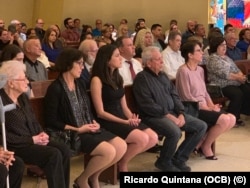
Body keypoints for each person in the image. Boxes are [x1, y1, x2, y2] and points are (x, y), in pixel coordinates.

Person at [44, 48, 127, 188]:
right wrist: (78, 129)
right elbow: (51, 121)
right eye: (79, 63)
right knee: (109, 151)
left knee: (121, 146)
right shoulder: (55, 88)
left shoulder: (79, 84)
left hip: (87, 128)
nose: (82, 67)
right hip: (71, 133)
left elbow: (87, 110)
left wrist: (94, 122)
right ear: (68, 64)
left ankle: (91, 177)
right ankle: (84, 180)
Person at [132, 46, 207, 172]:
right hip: (153, 116)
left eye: (162, 58)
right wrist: (169, 116)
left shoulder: (163, 75)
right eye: (158, 59)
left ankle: (178, 159)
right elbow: (147, 105)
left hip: (172, 113)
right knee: (175, 132)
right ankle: (164, 162)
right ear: (149, 63)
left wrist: (181, 113)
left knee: (200, 126)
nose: (162, 62)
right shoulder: (141, 79)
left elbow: (175, 95)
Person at [0, 60, 70, 188]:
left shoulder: (22, 97)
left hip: (33, 140)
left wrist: (41, 133)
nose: (27, 81)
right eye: (23, 79)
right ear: (10, 83)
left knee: (64, 149)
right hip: (16, 146)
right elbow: (5, 137)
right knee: (53, 154)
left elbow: (33, 120)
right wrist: (32, 139)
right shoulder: (1, 102)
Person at [90, 44, 158, 172]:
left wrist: (132, 118)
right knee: (142, 138)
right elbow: (100, 112)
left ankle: (122, 160)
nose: (120, 58)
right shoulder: (97, 80)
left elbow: (124, 107)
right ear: (106, 60)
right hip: (107, 120)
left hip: (121, 117)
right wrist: (125, 122)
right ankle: (123, 165)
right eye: (117, 56)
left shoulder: (118, 78)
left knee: (153, 137)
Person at [176, 40, 235, 160]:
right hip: (192, 108)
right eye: (198, 50)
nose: (202, 53)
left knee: (232, 119)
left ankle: (202, 142)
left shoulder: (200, 70)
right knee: (223, 119)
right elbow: (187, 97)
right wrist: (207, 108)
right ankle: (206, 146)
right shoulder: (183, 71)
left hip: (204, 106)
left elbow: (205, 92)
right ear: (190, 55)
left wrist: (212, 105)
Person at [207, 36, 250, 126]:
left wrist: (241, 76)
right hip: (220, 85)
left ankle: (243, 112)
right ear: (216, 46)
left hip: (233, 82)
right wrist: (239, 78)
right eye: (222, 45)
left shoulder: (226, 58)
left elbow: (236, 69)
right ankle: (232, 118)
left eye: (225, 45)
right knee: (237, 93)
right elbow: (225, 74)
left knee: (247, 89)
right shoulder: (212, 59)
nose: (225, 47)